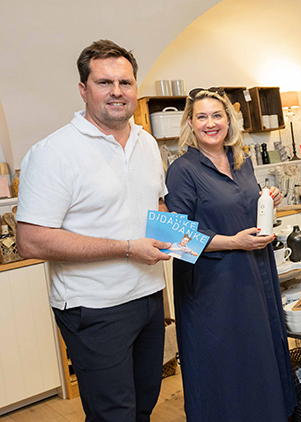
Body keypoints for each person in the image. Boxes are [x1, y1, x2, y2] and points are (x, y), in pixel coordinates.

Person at [16, 40, 171, 421]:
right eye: (104, 82)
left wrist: (194, 238)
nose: (117, 91)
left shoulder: (147, 142)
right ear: (83, 89)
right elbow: (30, 240)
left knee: (144, 406)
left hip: (149, 296)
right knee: (113, 414)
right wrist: (127, 247)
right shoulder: (53, 152)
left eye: (125, 82)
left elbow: (157, 206)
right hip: (94, 307)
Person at [164, 87, 296, 421]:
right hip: (213, 286)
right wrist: (233, 242)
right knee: (226, 363)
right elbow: (174, 237)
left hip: (254, 274)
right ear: (190, 123)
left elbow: (241, 207)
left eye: (217, 115)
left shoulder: (242, 160)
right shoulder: (182, 170)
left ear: (228, 120)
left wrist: (267, 201)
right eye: (202, 117)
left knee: (258, 355)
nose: (210, 123)